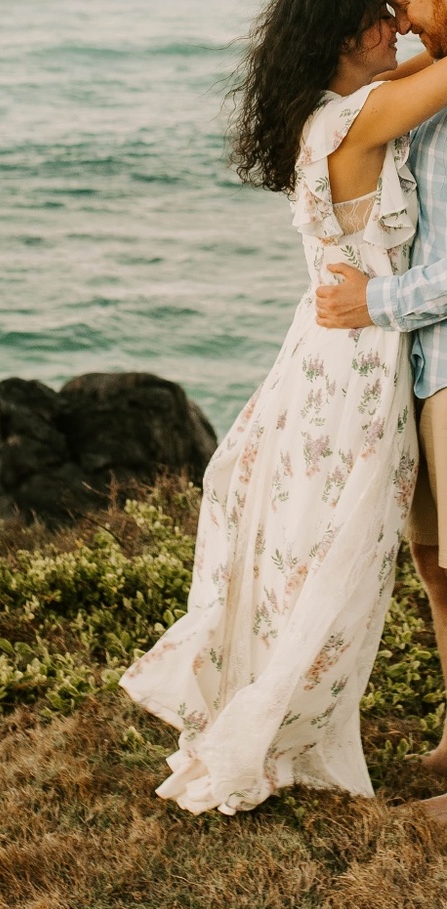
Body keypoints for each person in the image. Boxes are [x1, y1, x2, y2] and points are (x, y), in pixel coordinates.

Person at [120, 0, 447, 815]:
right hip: (362, 364)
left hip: (332, 355)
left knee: (327, 549)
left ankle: (275, 709)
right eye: (382, 16)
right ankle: (284, 713)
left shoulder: (328, 112)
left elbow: (416, 65)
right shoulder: (364, 117)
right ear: (341, 39)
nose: (399, 25)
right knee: (346, 553)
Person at [315, 0, 447, 787]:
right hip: (418, 368)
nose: (401, 10)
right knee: (434, 564)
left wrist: (377, 304)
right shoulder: (420, 87)